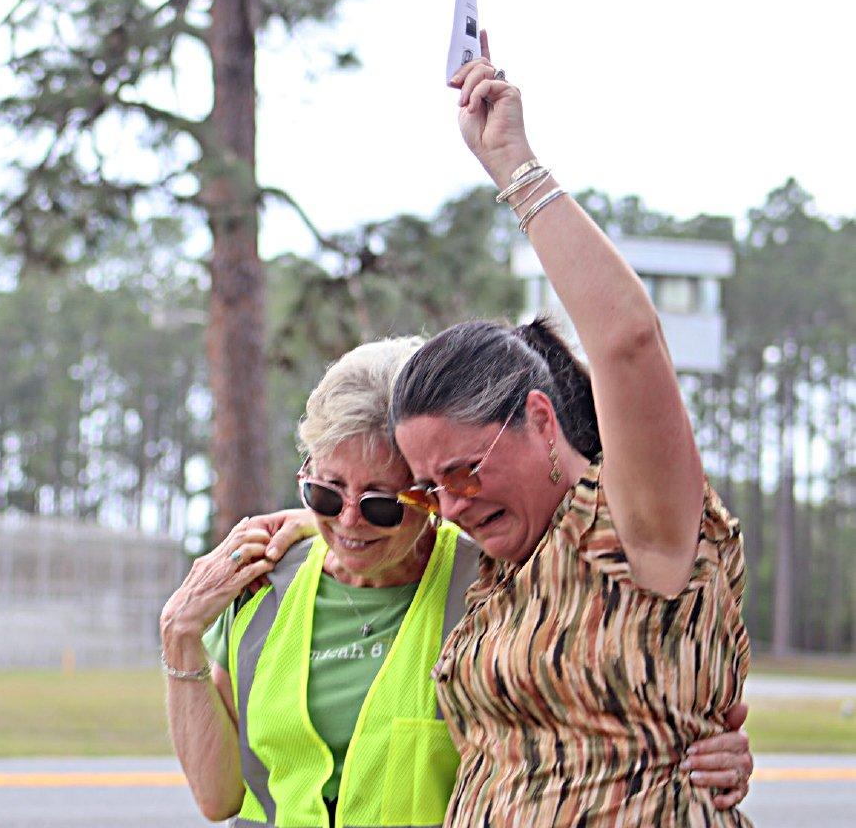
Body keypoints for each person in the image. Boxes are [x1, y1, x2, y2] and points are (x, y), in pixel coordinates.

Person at [384, 41, 753, 825]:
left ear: (540, 419)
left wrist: (514, 166)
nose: (448, 505)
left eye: (463, 471)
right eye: (427, 487)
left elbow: (627, 341)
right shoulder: (500, 573)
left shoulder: (632, 531)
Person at [159, 340, 751, 828]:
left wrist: (691, 754)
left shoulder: (495, 584)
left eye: (382, 504)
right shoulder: (264, 587)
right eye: (324, 493)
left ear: (430, 496)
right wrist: (180, 635)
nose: (348, 522)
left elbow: (595, 713)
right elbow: (219, 799)